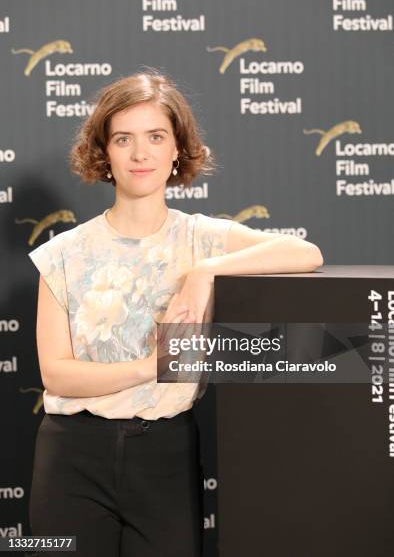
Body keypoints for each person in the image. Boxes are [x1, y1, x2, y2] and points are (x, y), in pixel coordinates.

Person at [27, 68, 324, 557]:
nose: (140, 153)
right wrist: (153, 366)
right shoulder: (65, 253)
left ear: (176, 149)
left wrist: (206, 270)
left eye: (155, 137)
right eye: (123, 138)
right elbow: (56, 375)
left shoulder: (200, 239)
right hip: (70, 458)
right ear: (104, 152)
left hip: (167, 454)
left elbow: (307, 254)